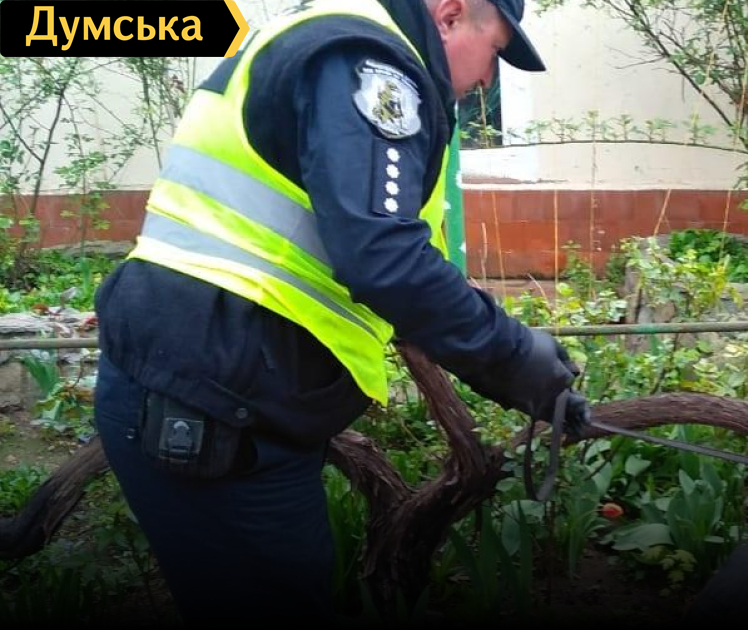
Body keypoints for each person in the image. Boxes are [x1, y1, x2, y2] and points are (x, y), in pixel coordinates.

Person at [91, 0, 589, 623]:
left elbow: (388, 258)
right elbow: (384, 257)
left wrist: (514, 367)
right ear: (451, 14)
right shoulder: (367, 63)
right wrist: (518, 359)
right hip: (213, 405)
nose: (489, 79)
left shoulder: (334, 41)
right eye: (495, 51)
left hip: (222, 387)